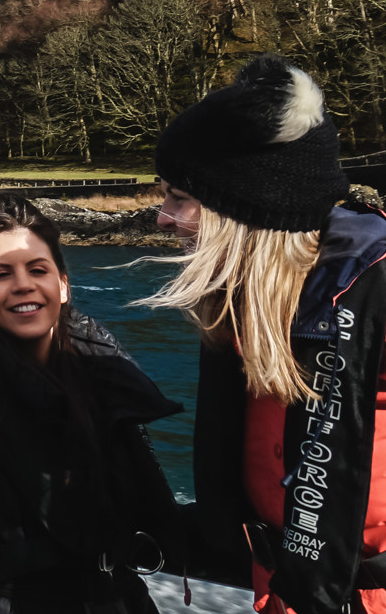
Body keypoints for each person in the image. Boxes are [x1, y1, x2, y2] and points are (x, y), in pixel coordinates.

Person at [143, 55, 386, 614]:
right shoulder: (240, 310)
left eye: (180, 197)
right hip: (280, 589)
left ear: (246, 210)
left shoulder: (373, 295)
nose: (162, 217)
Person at [0, 196, 184, 614]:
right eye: (1, 274)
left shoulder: (109, 388)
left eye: (37, 270)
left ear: (63, 286)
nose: (23, 284)